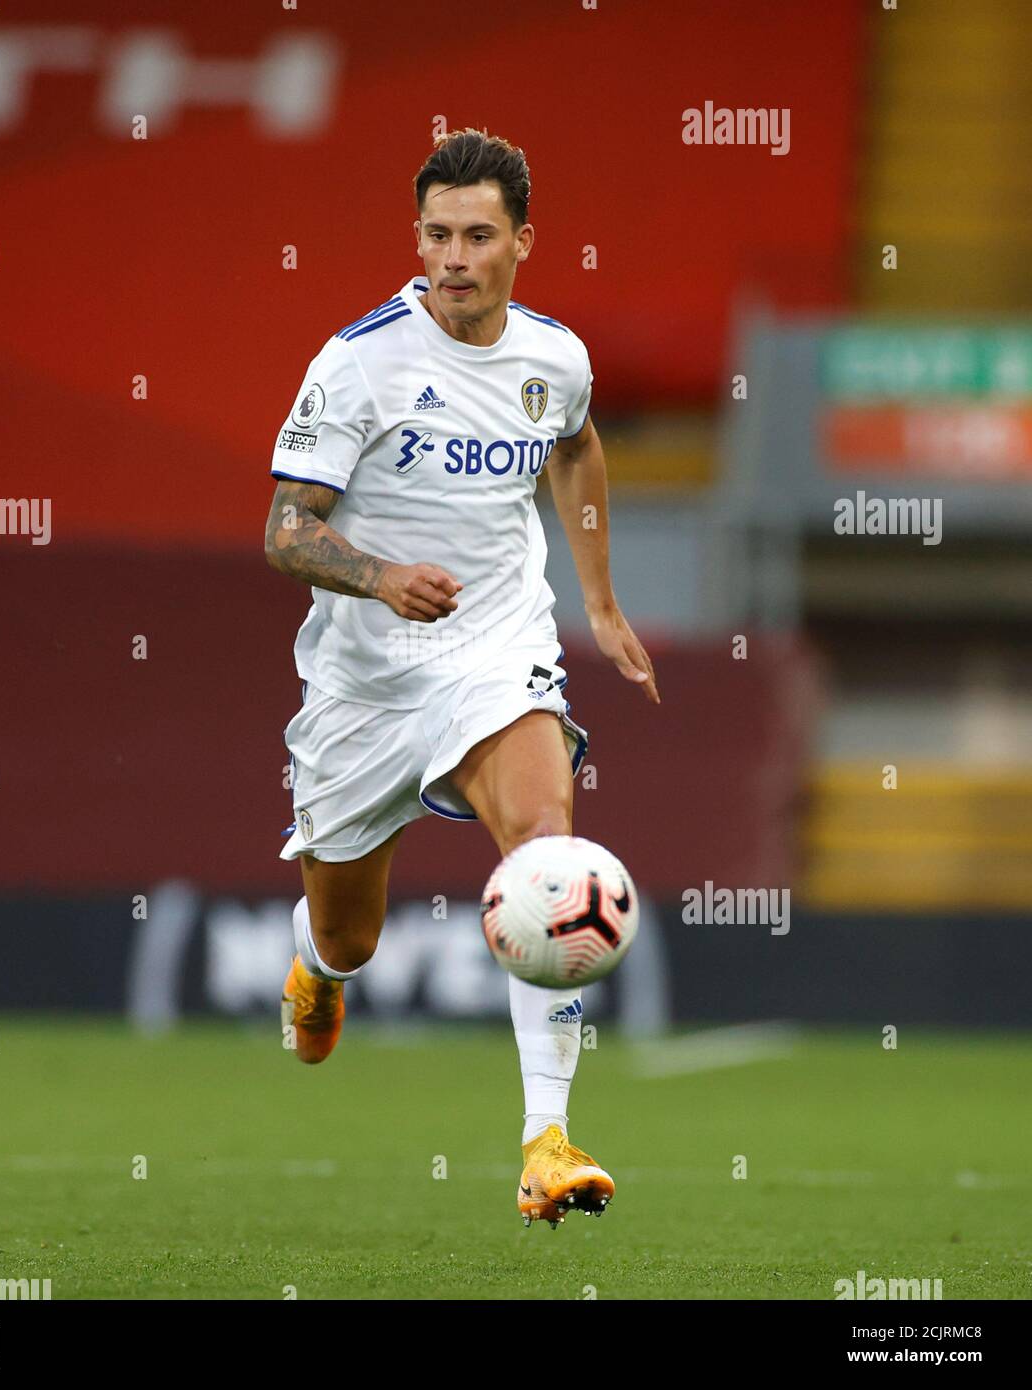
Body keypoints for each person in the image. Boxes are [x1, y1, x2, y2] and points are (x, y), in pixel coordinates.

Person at [264, 127, 658, 1228]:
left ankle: (546, 1141)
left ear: (522, 242)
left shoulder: (554, 358)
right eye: (437, 234)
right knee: (351, 932)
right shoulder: (359, 362)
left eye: (477, 235)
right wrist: (380, 575)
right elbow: (285, 531)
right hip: (363, 683)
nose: (453, 256)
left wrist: (601, 602)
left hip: (493, 646)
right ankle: (317, 968)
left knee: (549, 851)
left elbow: (575, 445)